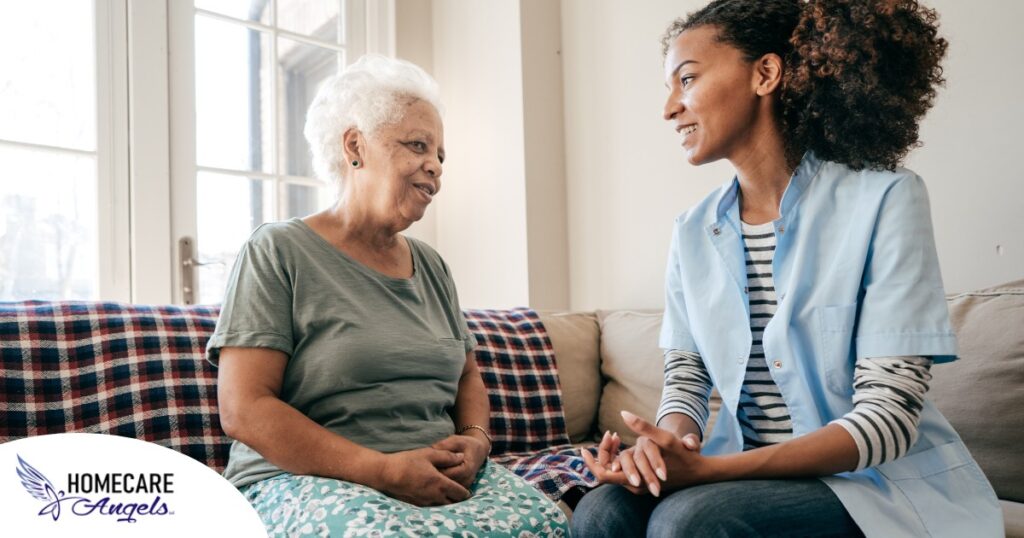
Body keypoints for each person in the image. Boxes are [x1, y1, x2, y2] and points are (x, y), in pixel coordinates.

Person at [573, 1, 1002, 536]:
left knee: (691, 521)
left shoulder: (886, 199)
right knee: (601, 511)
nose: (669, 108)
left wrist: (710, 472)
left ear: (765, 73)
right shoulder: (692, 230)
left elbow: (889, 420)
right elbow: (686, 379)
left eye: (686, 79)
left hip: (870, 483)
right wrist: (665, 451)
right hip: (741, 475)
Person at [207, 54, 568, 537]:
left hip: (436, 478)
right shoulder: (278, 250)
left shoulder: (432, 266)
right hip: (306, 480)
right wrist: (383, 470)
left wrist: (476, 442)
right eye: (417, 145)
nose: (435, 167)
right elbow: (245, 409)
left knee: (549, 524)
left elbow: (468, 376)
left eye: (440, 155)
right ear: (355, 145)